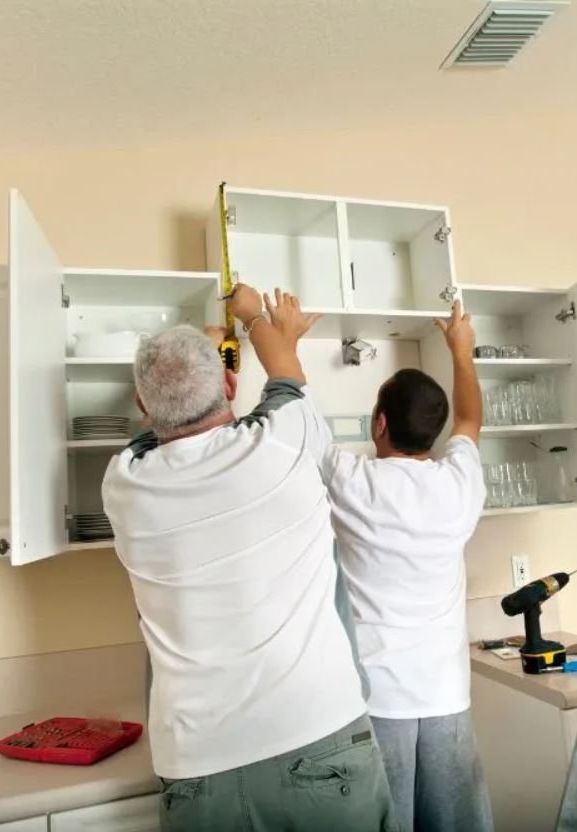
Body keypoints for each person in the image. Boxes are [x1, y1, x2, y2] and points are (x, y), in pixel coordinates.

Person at [101, 284, 398, 832]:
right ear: (232, 384)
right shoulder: (285, 445)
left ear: (143, 406)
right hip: (319, 738)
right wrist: (254, 315)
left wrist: (205, 349)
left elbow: (151, 439)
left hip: (197, 769)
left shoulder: (123, 487)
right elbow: (284, 371)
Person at [320, 300, 493, 832]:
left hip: (377, 699)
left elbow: (300, 424)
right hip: (446, 694)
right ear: (434, 432)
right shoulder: (460, 482)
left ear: (378, 423)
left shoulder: (353, 482)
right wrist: (461, 351)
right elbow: (469, 418)